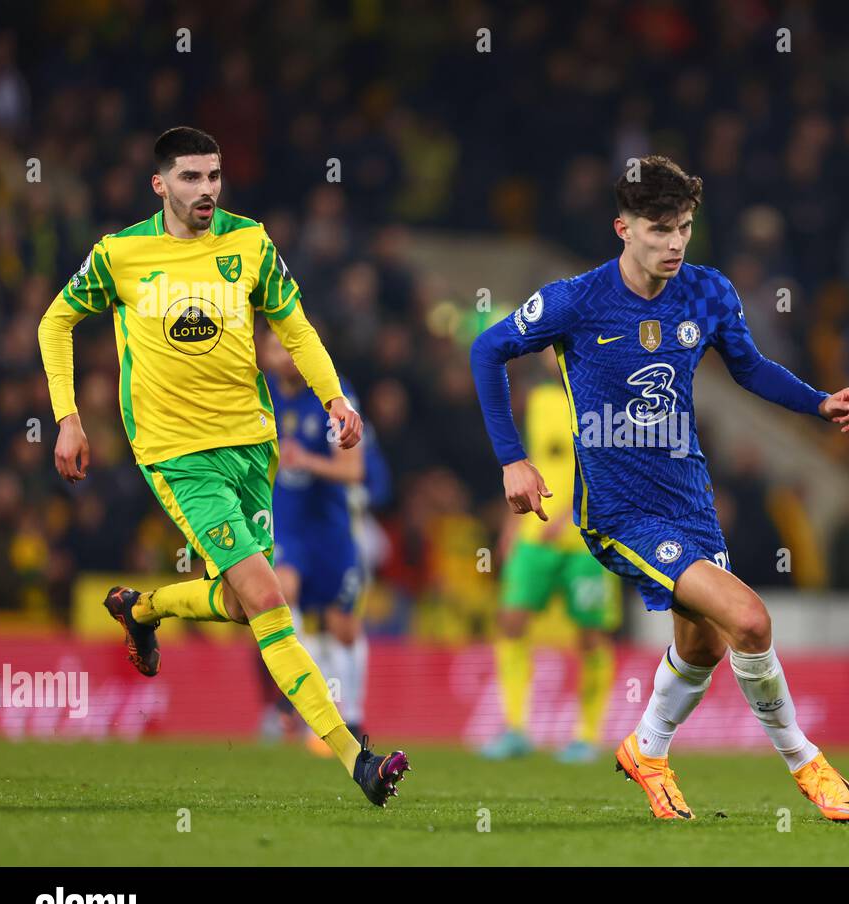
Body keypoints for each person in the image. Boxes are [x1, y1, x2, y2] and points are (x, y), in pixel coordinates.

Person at [470, 155, 849, 821]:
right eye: (660, 229)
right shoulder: (577, 299)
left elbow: (751, 368)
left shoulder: (707, 292)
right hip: (620, 511)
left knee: (704, 645)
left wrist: (819, 402)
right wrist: (511, 459)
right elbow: (486, 349)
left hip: (689, 501)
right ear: (623, 228)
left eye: (684, 227)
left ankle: (646, 750)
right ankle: (806, 761)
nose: (675, 242)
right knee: (748, 619)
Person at [36, 126, 407, 806]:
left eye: (213, 177)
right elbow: (54, 322)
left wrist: (334, 397)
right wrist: (67, 416)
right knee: (269, 597)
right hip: (177, 454)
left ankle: (144, 609)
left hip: (250, 445)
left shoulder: (251, 242)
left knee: (241, 604)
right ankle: (357, 758)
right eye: (190, 178)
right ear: (160, 185)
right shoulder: (120, 254)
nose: (206, 190)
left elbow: (294, 327)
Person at [481, 361, 621, 764]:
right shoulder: (538, 399)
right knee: (511, 619)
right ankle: (515, 728)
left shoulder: (603, 397)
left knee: (590, 635)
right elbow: (524, 464)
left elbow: (607, 468)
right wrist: (511, 527)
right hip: (533, 539)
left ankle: (587, 735)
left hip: (586, 541)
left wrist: (568, 514)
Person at [256, 327, 371, 750]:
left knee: (343, 627)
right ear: (263, 355)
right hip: (286, 525)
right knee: (282, 595)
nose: (283, 354)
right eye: (274, 347)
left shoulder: (333, 396)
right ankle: (304, 708)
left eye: (290, 345)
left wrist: (306, 460)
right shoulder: (258, 393)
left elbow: (355, 471)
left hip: (331, 528)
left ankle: (353, 717)